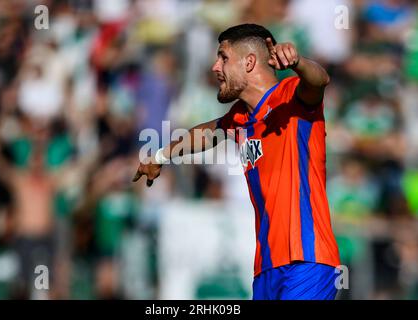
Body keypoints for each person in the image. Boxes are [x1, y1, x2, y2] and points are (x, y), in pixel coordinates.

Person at [133, 24, 341, 300]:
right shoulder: (242, 118)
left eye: (223, 57)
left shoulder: (292, 97)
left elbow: (319, 81)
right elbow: (207, 133)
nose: (215, 67)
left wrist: (299, 63)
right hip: (266, 268)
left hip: (307, 259)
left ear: (250, 61)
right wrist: (160, 155)